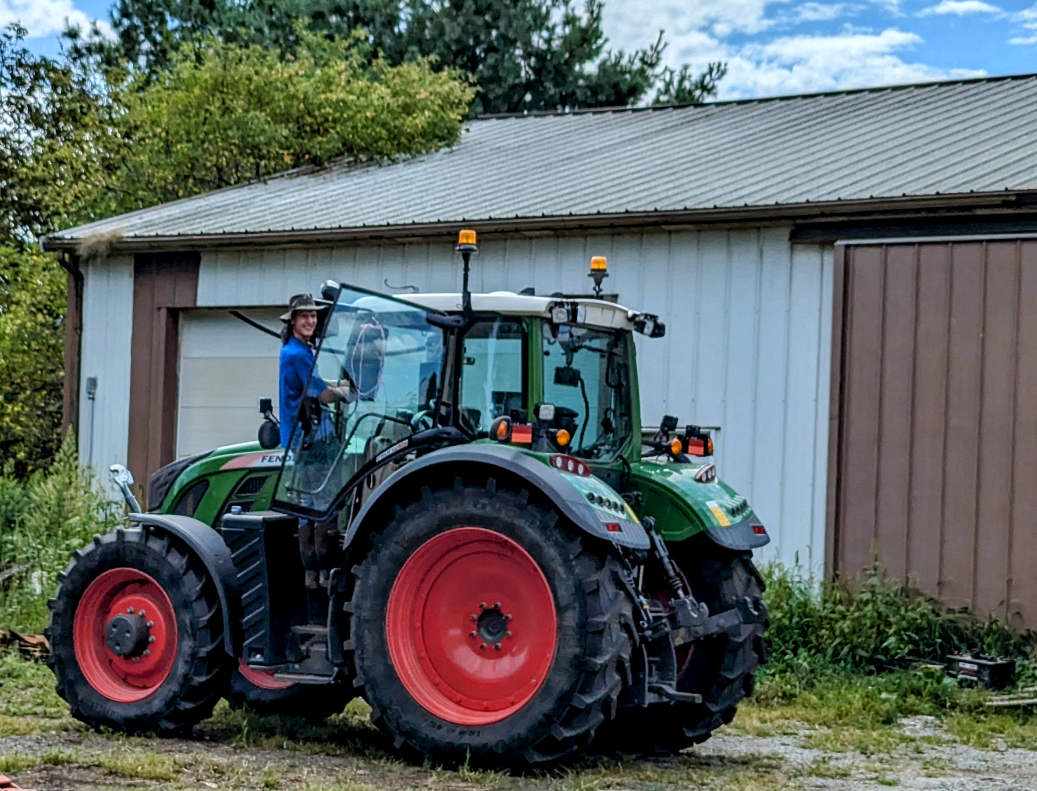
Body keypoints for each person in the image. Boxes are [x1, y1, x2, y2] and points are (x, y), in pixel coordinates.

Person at [278, 293, 351, 589]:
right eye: (304, 316)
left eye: (313, 316)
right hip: (313, 440)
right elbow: (321, 394)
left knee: (307, 504)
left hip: (303, 437)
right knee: (322, 504)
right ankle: (323, 572)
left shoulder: (297, 351)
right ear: (293, 321)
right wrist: (348, 389)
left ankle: (313, 575)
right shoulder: (298, 355)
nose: (310, 320)